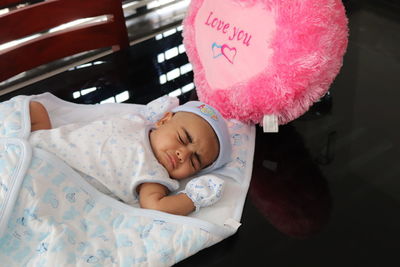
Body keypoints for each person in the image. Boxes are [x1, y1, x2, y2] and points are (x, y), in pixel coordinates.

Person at [28, 100, 231, 216]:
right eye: (182, 138)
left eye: (194, 161)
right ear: (163, 120)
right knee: (34, 107)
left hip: (50, 174)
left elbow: (155, 206)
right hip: (48, 141)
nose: (183, 154)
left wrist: (192, 199)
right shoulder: (138, 121)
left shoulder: (154, 175)